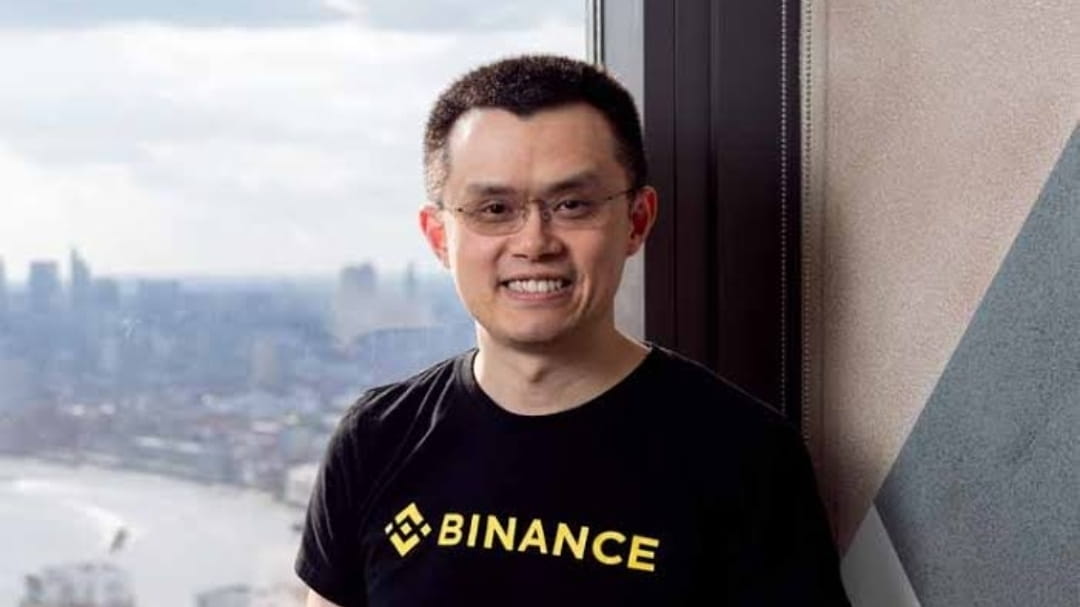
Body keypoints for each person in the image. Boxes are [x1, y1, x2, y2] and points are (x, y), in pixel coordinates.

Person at [295, 54, 850, 606]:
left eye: (572, 205)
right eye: (494, 209)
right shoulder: (376, 439)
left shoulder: (744, 455)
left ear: (637, 221)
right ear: (439, 237)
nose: (534, 243)